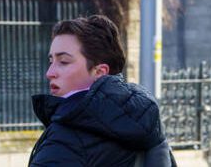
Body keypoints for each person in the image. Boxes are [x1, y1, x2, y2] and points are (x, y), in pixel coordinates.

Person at [28, 14, 175, 166]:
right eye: (51, 61)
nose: (50, 73)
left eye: (64, 61)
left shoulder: (66, 137)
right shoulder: (148, 126)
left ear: (100, 72)